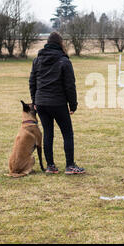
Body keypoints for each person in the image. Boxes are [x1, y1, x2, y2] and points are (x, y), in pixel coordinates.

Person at [29, 32, 85, 175]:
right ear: (60, 44)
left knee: (48, 133)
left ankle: (50, 166)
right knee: (67, 133)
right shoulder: (64, 61)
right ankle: (70, 166)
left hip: (41, 103)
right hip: (58, 102)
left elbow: (32, 82)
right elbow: (70, 85)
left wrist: (35, 101)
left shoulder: (37, 60)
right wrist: (73, 105)